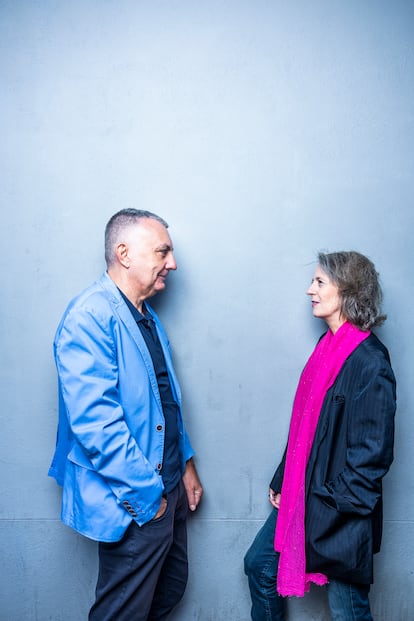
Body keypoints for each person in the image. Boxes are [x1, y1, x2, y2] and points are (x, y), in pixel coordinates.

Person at [48, 209, 203, 621]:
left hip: (168, 488)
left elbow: (163, 400)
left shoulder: (145, 316)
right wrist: (148, 500)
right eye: (162, 251)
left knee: (167, 592)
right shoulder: (88, 316)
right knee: (122, 614)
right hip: (136, 500)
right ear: (124, 253)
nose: (172, 263)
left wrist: (185, 464)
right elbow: (98, 426)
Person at [244, 251, 396, 621]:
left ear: (347, 291)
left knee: (348, 612)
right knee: (260, 567)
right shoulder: (326, 347)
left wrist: (329, 506)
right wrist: (285, 477)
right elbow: (307, 428)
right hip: (305, 496)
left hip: (338, 512)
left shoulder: (369, 361)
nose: (309, 290)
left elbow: (371, 455)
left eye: (319, 282)